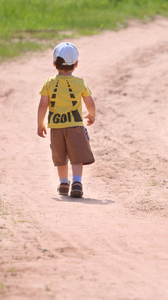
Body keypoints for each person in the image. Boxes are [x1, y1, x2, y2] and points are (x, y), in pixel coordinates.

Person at [37, 42, 96, 198]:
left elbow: (43, 104)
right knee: (77, 156)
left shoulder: (49, 83)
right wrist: (91, 115)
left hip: (56, 128)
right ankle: (77, 182)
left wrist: (40, 123)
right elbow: (89, 102)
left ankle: (63, 183)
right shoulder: (79, 83)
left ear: (54, 63)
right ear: (76, 64)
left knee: (60, 157)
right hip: (75, 126)